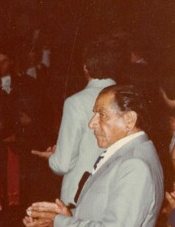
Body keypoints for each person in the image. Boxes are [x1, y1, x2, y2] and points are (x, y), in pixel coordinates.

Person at [24, 84, 174, 227]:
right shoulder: (129, 154)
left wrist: (59, 223)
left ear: (129, 120)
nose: (91, 123)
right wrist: (70, 216)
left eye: (101, 114)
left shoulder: (135, 165)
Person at [32, 35, 119, 206]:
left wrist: (52, 158)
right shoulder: (127, 98)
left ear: (85, 67)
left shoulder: (75, 102)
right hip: (115, 191)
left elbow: (63, 164)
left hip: (81, 195)